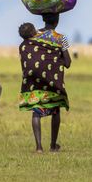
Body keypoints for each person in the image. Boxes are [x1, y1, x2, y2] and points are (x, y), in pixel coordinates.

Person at [18, 12, 72, 153]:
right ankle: (53, 146)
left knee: (36, 111)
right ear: (58, 20)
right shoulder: (61, 38)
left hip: (34, 81)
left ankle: (39, 148)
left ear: (42, 19)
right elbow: (67, 63)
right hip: (51, 80)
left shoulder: (32, 35)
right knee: (55, 110)